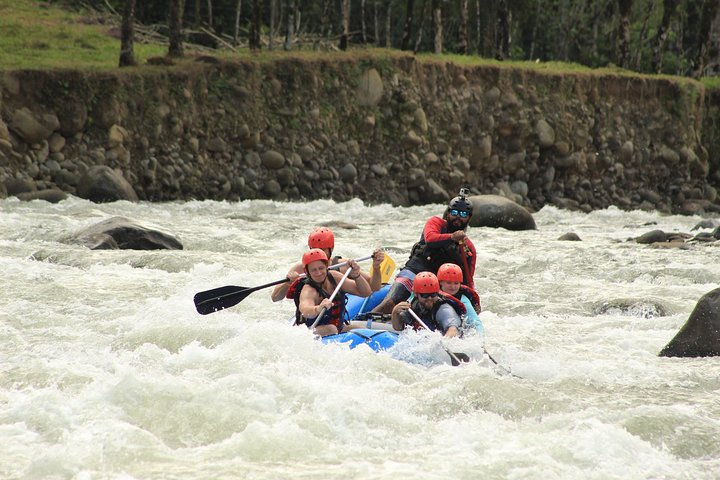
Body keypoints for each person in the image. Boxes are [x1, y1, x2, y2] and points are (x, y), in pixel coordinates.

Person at [373, 188, 477, 314]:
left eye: (463, 215)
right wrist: (452, 237)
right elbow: (430, 239)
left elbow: (468, 278)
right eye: (454, 212)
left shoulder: (468, 247)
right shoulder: (436, 223)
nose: (458, 217)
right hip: (414, 271)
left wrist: (473, 300)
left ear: (469, 218)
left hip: (437, 285)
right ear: (448, 213)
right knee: (391, 301)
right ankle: (367, 318)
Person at [271, 226, 385, 302]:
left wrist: (376, 267)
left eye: (323, 250)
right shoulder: (300, 268)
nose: (319, 254)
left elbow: (374, 287)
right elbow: (275, 298)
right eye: (316, 249)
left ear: (331, 249)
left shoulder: (342, 266)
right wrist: (287, 284)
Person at [294, 248, 372, 337]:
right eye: (314, 270)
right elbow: (305, 310)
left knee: (363, 331)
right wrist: (318, 308)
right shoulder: (308, 290)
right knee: (331, 329)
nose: (319, 273)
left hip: (338, 327)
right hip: (312, 330)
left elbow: (366, 293)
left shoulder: (335, 277)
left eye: (321, 268)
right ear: (307, 272)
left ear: (326, 266)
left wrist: (357, 276)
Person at [391, 271, 464, 338]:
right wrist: (395, 312)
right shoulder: (413, 305)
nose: (429, 298)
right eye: (425, 295)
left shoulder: (444, 309)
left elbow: (453, 329)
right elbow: (398, 328)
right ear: (416, 294)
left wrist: (445, 342)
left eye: (433, 294)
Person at [437, 263, 483, 335]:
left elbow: (476, 323)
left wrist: (480, 341)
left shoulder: (463, 299)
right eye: (448, 283)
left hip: (459, 329)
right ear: (440, 282)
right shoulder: (432, 295)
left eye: (456, 283)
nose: (452, 286)